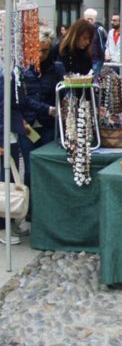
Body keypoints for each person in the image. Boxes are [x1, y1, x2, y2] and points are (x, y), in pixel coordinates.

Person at [19, 33, 65, 189]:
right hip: (28, 125)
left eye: (45, 50)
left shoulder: (57, 68)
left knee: (48, 168)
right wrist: (48, 109)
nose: (41, 54)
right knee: (30, 170)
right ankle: (30, 207)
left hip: (49, 125)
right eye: (38, 50)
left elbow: (63, 92)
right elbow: (23, 98)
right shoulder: (24, 69)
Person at [0, 67, 27, 244]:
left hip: (11, 131)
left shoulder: (9, 69)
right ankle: (3, 227)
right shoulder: (3, 73)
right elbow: (3, 107)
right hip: (5, 133)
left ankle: (9, 222)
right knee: (5, 181)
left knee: (10, 178)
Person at [83, 8, 107, 78]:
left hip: (96, 59)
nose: (90, 21)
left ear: (94, 19)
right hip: (85, 58)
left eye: (91, 19)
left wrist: (103, 55)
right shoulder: (82, 30)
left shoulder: (99, 30)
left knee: (95, 78)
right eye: (88, 19)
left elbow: (103, 43)